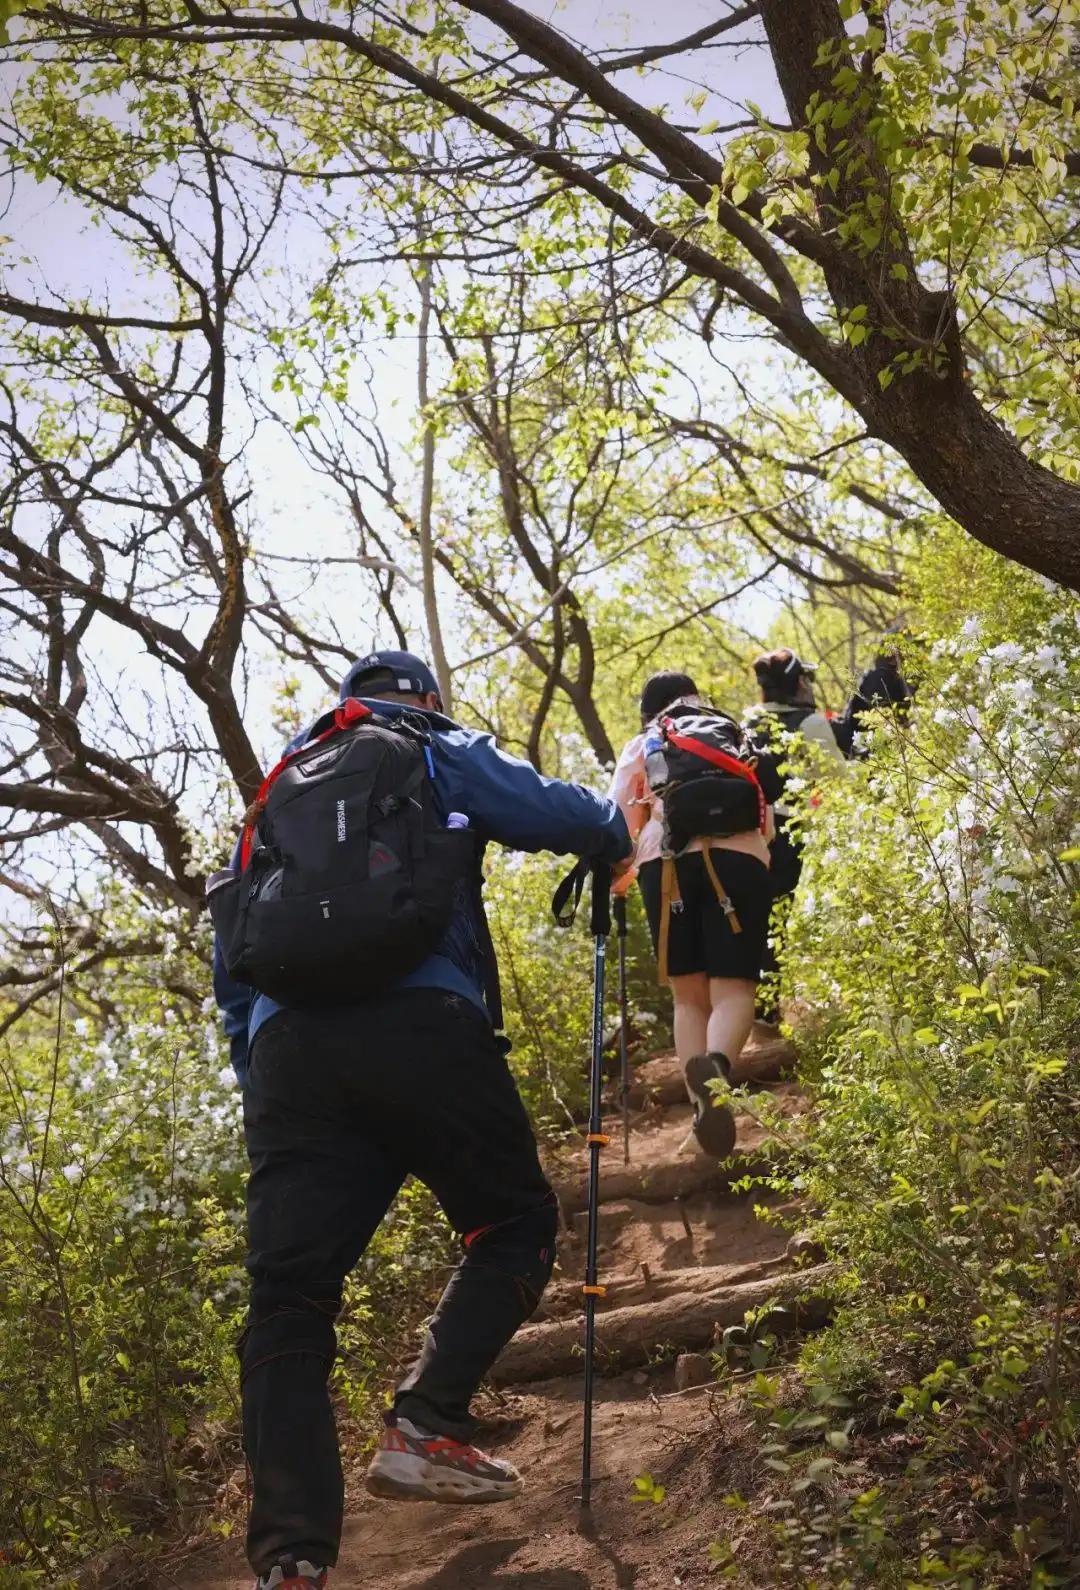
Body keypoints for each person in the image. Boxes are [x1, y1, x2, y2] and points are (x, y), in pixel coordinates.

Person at [214, 649, 632, 1590]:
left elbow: (232, 958)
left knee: (288, 1300)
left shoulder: (274, 787)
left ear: (341, 705)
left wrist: (270, 1084)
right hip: (422, 1024)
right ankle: (427, 1424)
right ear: (425, 699)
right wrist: (613, 833)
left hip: (292, 1058)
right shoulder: (426, 741)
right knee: (513, 1224)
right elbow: (550, 811)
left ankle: (291, 1559)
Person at [610, 670, 781, 1157]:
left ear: (649, 709)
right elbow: (764, 811)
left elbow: (620, 819)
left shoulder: (644, 742)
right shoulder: (730, 730)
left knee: (689, 998)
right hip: (741, 857)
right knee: (734, 988)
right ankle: (719, 1070)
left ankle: (700, 1118)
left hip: (666, 863)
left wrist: (618, 875)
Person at [746, 649, 846, 1028]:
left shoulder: (747, 721)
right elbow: (836, 775)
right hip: (788, 831)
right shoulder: (809, 722)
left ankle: (747, 1006)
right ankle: (766, 1010)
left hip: (748, 831)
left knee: (749, 913)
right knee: (776, 915)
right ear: (798, 683)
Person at [834, 643, 915, 757]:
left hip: (868, 742)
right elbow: (886, 716)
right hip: (865, 745)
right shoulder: (880, 679)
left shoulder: (877, 676)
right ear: (893, 658)